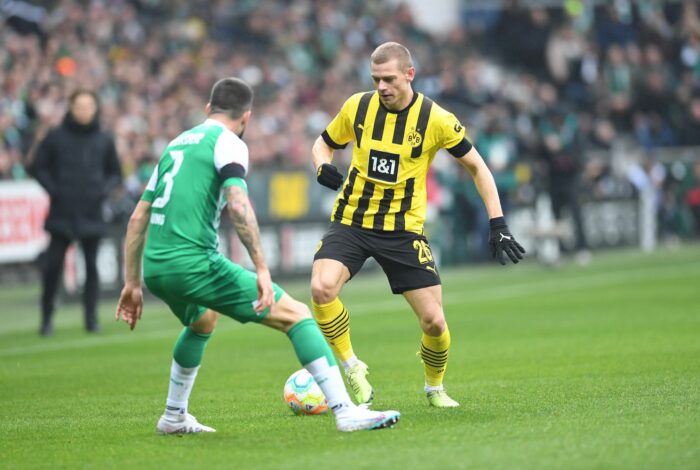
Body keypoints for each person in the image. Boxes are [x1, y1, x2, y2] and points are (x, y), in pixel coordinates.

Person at [115, 77, 400, 434]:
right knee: (298, 316)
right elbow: (238, 205)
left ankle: (173, 416)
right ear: (246, 117)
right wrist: (262, 268)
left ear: (208, 109)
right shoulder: (228, 143)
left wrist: (132, 283)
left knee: (202, 321)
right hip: (193, 262)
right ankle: (346, 411)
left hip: (156, 267)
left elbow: (138, 217)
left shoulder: (175, 145)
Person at [311, 42, 525, 408]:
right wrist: (322, 166)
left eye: (389, 79)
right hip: (352, 221)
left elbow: (478, 167)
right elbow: (323, 143)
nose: (381, 87)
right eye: (376, 79)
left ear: (409, 74)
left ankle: (434, 388)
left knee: (435, 323)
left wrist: (498, 222)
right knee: (321, 288)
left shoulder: (436, 119)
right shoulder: (357, 107)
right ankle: (351, 366)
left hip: (403, 231)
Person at [30, 90, 122, 336]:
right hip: (62, 212)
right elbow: (37, 167)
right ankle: (46, 319)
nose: (84, 110)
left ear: (95, 108)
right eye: (80, 106)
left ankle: (91, 319)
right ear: (70, 107)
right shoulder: (55, 137)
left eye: (89, 105)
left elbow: (115, 173)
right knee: (53, 267)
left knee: (91, 267)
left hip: (91, 212)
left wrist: (102, 191)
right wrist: (55, 190)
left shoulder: (104, 138)